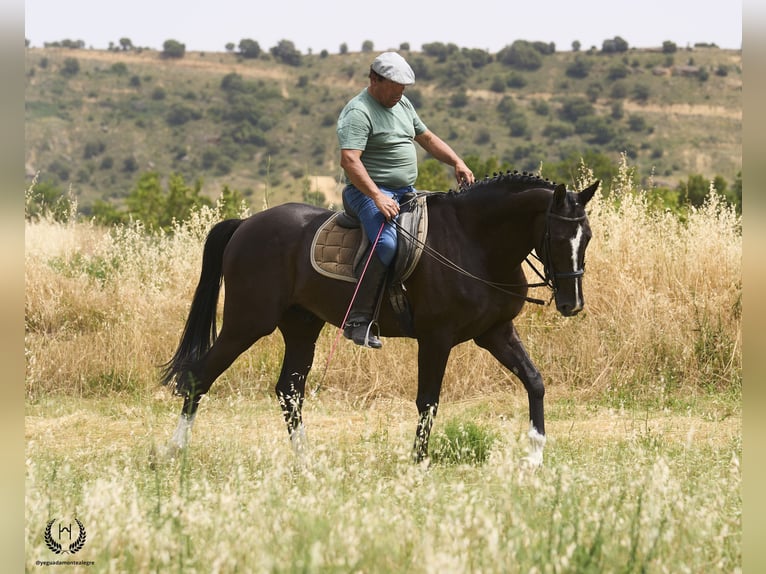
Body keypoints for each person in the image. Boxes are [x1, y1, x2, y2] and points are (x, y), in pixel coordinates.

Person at [336, 51, 475, 349]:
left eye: (404, 88)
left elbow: (426, 138)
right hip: (366, 193)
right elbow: (349, 161)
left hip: (405, 190)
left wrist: (456, 161)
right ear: (375, 80)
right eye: (395, 86)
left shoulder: (402, 103)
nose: (400, 92)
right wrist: (377, 197)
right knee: (386, 244)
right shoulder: (359, 112)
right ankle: (359, 319)